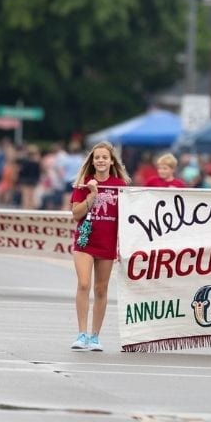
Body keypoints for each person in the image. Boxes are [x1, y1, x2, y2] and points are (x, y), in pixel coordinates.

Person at [69, 141, 130, 352]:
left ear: (111, 161)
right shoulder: (83, 183)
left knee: (101, 289)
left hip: (107, 242)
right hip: (85, 241)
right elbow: (76, 214)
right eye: (97, 158)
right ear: (92, 161)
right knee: (84, 284)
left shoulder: (120, 186)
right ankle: (81, 333)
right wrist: (92, 195)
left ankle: (95, 336)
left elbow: (128, 217)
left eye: (105, 157)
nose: (101, 160)